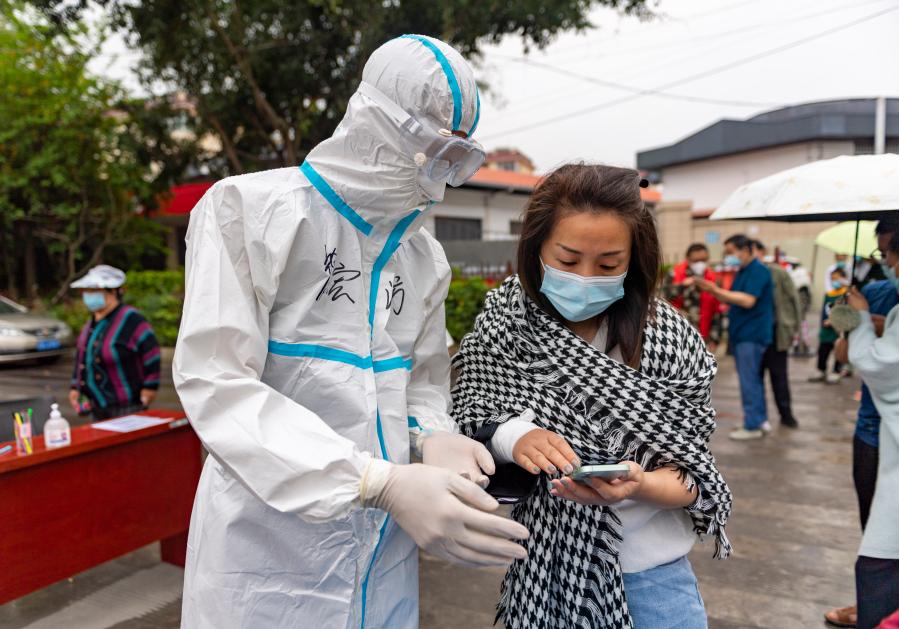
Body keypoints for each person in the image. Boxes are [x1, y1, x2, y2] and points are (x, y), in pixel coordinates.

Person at [172, 36, 529, 629]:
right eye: (433, 151)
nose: (438, 181)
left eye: (455, 161)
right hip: (266, 558)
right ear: (377, 122)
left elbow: (419, 381)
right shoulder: (250, 211)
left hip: (383, 561)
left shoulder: (422, 259)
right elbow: (216, 384)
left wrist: (430, 436)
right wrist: (376, 482)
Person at [451, 164, 732, 629]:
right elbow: (471, 416)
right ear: (536, 248)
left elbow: (694, 477)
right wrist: (515, 436)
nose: (585, 277)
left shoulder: (668, 342)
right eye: (567, 259)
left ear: (633, 260)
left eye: (607, 265)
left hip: (655, 585)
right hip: (545, 578)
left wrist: (641, 485)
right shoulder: (504, 325)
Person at [824, 218, 899, 629]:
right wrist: (853, 323)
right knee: (877, 525)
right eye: (881, 252)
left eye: (889, 253)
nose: (886, 261)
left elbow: (882, 361)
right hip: (873, 428)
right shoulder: (876, 290)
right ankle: (874, 607)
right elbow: (843, 353)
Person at [696, 234, 774, 440]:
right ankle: (758, 419)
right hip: (743, 334)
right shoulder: (743, 271)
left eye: (731, 252)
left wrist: (715, 289)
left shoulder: (758, 271)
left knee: (749, 381)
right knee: (753, 380)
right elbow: (731, 298)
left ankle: (753, 425)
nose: (729, 257)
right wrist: (715, 291)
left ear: (746, 250)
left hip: (752, 334)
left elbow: (747, 301)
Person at [68, 265, 160, 420]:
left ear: (113, 291)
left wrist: (150, 388)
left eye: (93, 291)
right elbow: (82, 357)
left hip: (127, 407)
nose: (88, 296)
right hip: (97, 407)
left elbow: (151, 353)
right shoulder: (91, 324)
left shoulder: (132, 320)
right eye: (86, 291)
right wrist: (75, 386)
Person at [753, 240, 801, 428]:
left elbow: (794, 301)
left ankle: (786, 414)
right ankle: (760, 418)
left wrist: (794, 328)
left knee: (779, 378)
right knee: (755, 380)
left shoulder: (778, 273)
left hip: (776, 334)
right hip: (756, 336)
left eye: (756, 251)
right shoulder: (747, 275)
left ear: (762, 252)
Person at [662, 243, 723, 351]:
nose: (700, 263)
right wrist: (682, 286)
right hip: (677, 336)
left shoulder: (713, 278)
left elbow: (717, 310)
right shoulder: (675, 274)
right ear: (688, 259)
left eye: (703, 260)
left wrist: (715, 338)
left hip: (703, 338)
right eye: (696, 260)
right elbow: (662, 297)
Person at [810, 267, 849, 384]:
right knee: (823, 350)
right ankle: (821, 370)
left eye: (836, 278)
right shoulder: (829, 294)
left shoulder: (847, 295)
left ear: (843, 278)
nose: (834, 281)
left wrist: (835, 321)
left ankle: (836, 371)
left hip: (839, 329)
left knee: (838, 350)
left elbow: (846, 311)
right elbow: (824, 311)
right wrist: (824, 322)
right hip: (826, 329)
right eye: (832, 278)